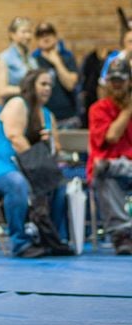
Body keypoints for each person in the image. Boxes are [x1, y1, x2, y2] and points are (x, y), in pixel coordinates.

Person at [0, 69, 69, 258]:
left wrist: (49, 141)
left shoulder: (48, 114)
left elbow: (57, 149)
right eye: (43, 84)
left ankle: (53, 239)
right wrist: (38, 171)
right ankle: (20, 242)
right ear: (31, 85)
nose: (48, 89)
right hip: (1, 167)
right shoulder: (17, 103)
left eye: (50, 86)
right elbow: (15, 137)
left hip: (31, 166)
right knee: (18, 183)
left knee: (60, 185)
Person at [88, 57, 132, 255]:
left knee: (109, 168)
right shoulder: (98, 109)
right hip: (107, 170)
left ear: (129, 81)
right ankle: (122, 234)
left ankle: (115, 167)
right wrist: (128, 110)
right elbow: (112, 136)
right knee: (104, 172)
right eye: (112, 80)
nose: (116, 85)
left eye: (120, 80)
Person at [32, 21, 79, 127]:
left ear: (55, 36)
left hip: (68, 118)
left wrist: (57, 62)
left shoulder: (68, 58)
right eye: (41, 35)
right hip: (43, 118)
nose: (45, 37)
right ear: (37, 40)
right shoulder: (34, 62)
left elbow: (70, 85)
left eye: (48, 33)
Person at [0, 16, 37, 103]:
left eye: (29, 32)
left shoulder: (32, 59)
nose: (28, 36)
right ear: (12, 34)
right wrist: (28, 90)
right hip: (13, 109)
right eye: (24, 32)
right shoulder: (3, 58)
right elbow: (1, 90)